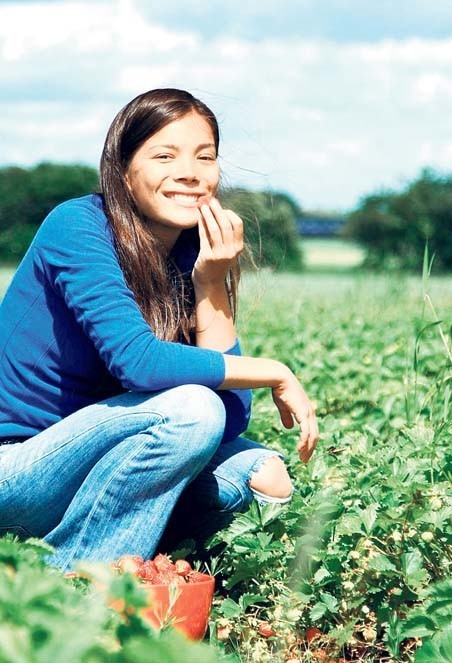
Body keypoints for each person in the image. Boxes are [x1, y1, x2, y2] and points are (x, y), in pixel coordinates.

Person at [0, 88, 318, 572]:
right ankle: (77, 584)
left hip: (100, 459)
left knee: (262, 475)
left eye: (205, 157)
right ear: (123, 171)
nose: (190, 172)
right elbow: (138, 361)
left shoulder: (194, 252)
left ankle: (104, 549)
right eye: (165, 155)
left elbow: (228, 421)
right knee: (191, 410)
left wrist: (211, 281)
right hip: (19, 467)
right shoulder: (78, 226)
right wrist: (274, 371)